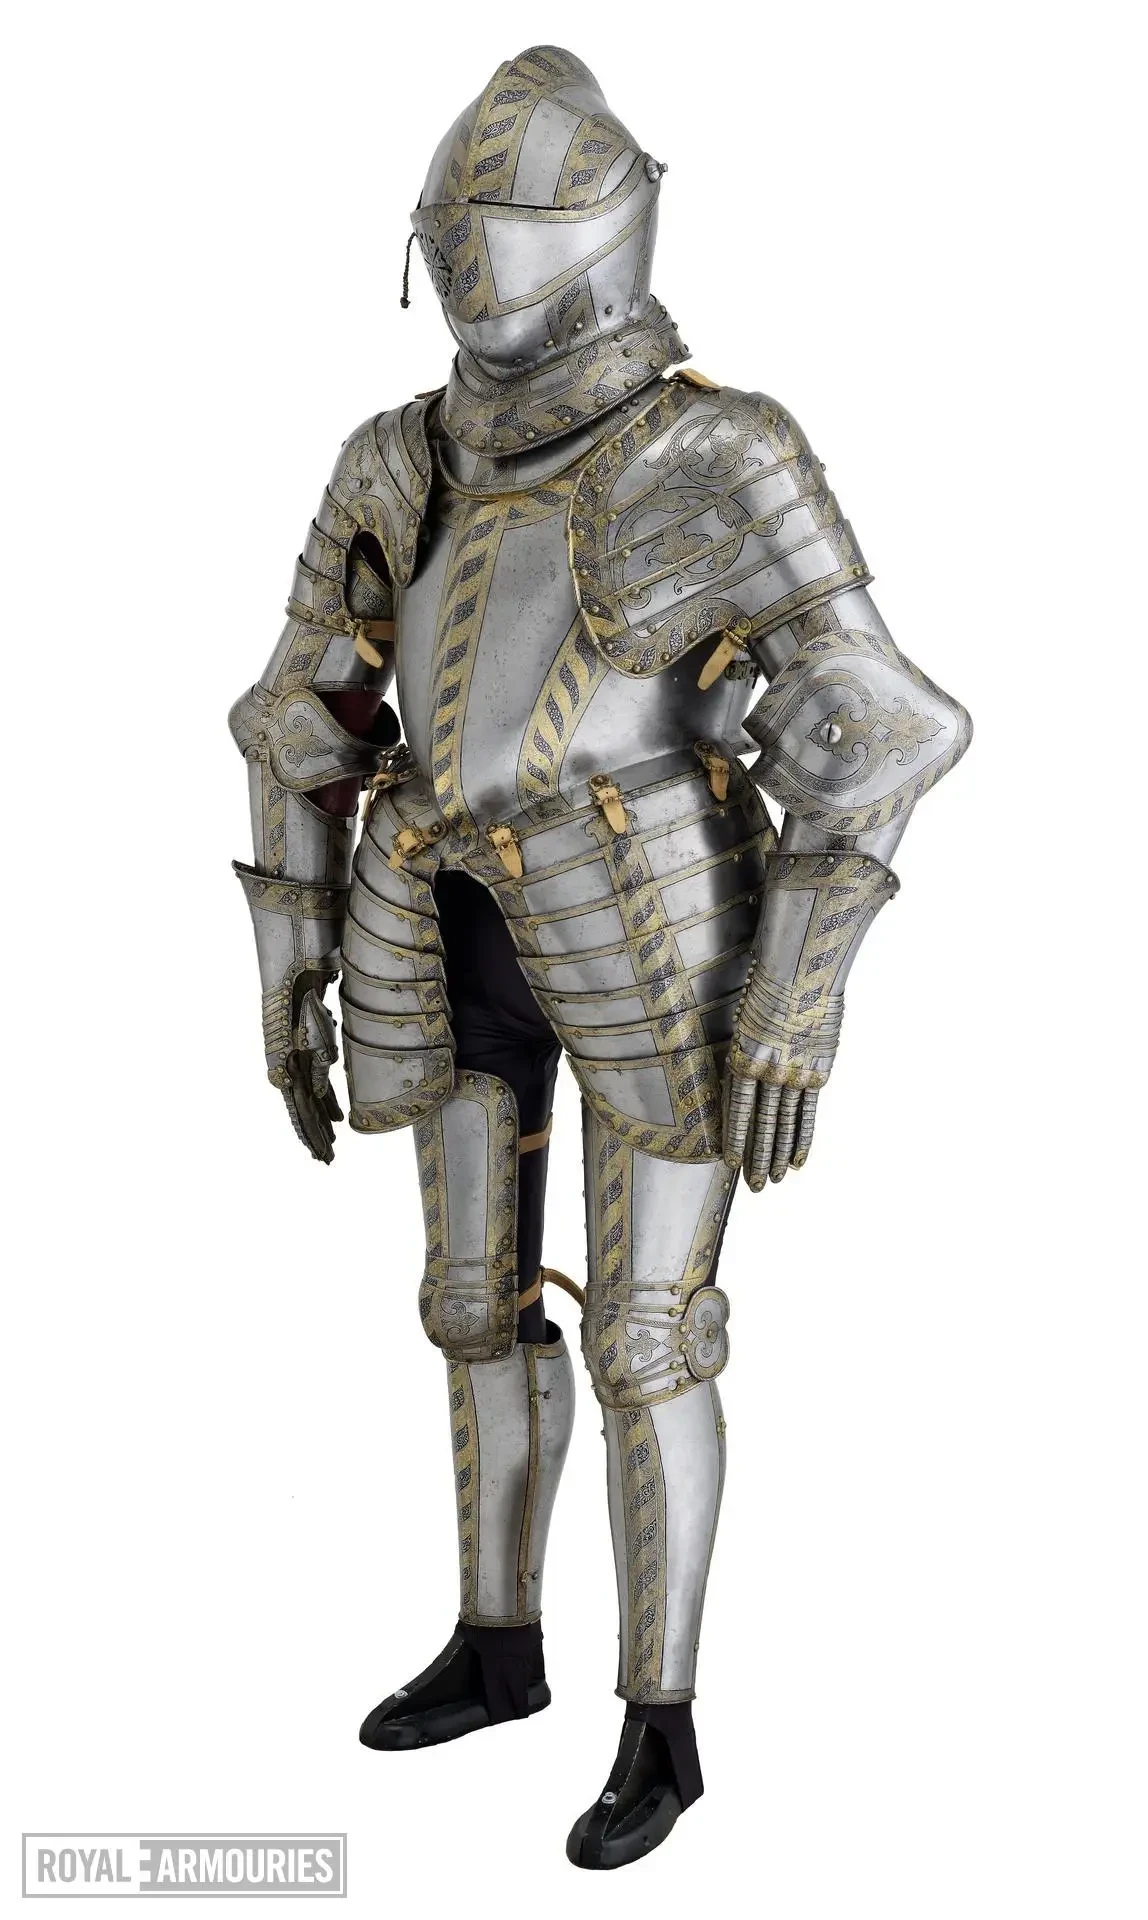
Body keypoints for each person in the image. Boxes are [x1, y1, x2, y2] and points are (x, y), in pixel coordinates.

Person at [229, 44, 971, 1869]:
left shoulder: (719, 448)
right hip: (432, 905)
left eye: (494, 232)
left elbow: (875, 721)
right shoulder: (395, 455)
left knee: (650, 1335)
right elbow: (306, 712)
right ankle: (498, 1646)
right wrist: (287, 958)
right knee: (467, 1305)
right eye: (455, 235)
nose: (472, 266)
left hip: (658, 914)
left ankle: (663, 1724)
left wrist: (798, 991)